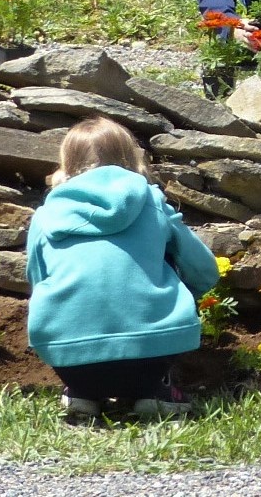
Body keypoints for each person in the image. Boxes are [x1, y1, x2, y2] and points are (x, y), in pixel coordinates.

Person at [25, 117, 219, 422]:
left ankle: (83, 394)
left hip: (70, 357)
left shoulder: (47, 215)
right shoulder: (152, 202)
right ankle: (156, 390)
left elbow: (37, 281)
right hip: (149, 357)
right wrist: (179, 294)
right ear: (132, 157)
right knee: (166, 258)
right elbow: (205, 270)